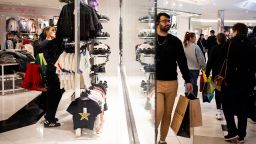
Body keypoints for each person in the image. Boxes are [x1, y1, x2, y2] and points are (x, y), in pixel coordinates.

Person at [155, 12, 193, 144]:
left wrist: (188, 80)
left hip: (172, 83)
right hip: (156, 83)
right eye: (165, 21)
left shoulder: (175, 41)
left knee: (167, 114)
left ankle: (162, 139)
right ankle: (151, 136)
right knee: (158, 112)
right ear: (157, 22)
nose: (168, 23)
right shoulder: (150, 40)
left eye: (169, 21)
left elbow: (182, 62)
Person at [221, 23, 255, 143]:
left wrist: (226, 80)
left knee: (227, 106)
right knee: (242, 110)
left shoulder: (231, 43)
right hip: (247, 83)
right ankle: (241, 135)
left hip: (232, 82)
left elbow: (228, 63)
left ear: (236, 31)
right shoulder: (251, 44)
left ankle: (232, 132)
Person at [39, 26, 64, 128]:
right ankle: (50, 120)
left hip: (53, 71)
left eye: (55, 30)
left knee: (54, 94)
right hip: (52, 72)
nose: (54, 32)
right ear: (46, 32)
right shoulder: (45, 42)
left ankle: (49, 116)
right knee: (55, 94)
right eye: (52, 30)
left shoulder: (50, 42)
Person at [205, 33, 227, 120]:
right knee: (225, 91)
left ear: (217, 40)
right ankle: (225, 108)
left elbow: (210, 62)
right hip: (226, 74)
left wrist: (207, 73)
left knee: (218, 91)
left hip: (217, 74)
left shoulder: (214, 48)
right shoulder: (228, 48)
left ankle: (219, 111)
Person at [183, 32, 206, 97]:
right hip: (194, 70)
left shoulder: (184, 46)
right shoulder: (196, 47)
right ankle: (192, 101)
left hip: (186, 69)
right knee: (193, 85)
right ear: (191, 38)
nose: (195, 39)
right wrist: (204, 68)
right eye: (194, 37)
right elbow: (201, 59)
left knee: (187, 84)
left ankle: (187, 101)